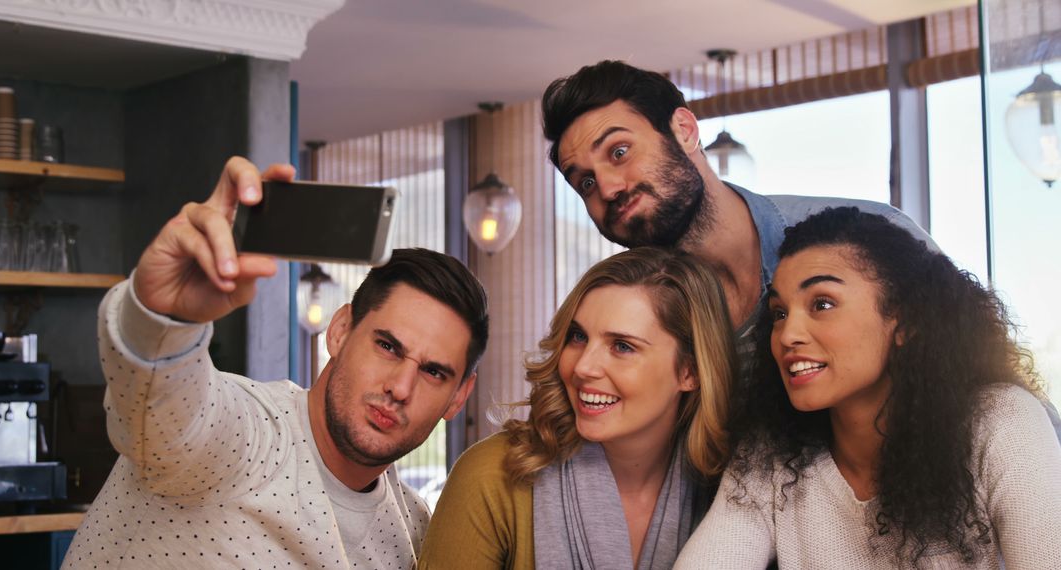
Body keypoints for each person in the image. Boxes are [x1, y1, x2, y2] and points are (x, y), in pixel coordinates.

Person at [62, 157, 489, 569]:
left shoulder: (412, 531)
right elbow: (163, 416)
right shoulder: (244, 435)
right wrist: (164, 317)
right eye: (388, 347)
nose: (401, 386)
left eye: (433, 371)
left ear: (458, 397)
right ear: (340, 331)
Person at [674, 207, 1061, 569]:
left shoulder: (1001, 420)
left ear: (906, 322)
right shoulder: (770, 457)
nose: (788, 334)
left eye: (822, 304)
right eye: (779, 313)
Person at [541, 60, 934, 351]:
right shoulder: (637, 325)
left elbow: (974, 384)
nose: (607, 188)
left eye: (620, 151)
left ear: (684, 131)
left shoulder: (871, 236)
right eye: (585, 182)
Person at [418, 247, 738, 569]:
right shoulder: (491, 477)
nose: (583, 366)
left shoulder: (734, 492)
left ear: (690, 371)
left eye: (622, 346)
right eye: (578, 336)